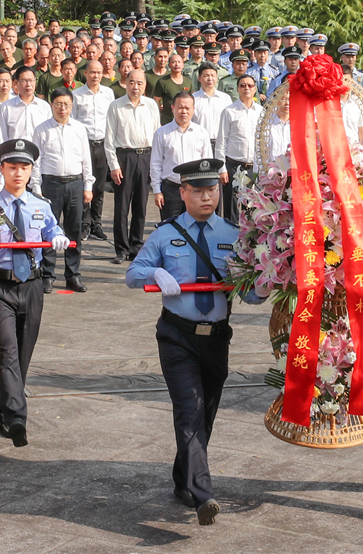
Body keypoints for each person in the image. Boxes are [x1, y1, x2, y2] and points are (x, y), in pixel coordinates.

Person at [126, 159, 256, 527]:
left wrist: (265, 280)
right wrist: (154, 271)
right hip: (177, 336)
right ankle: (203, 493)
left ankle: (184, 479)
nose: (205, 197)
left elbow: (255, 291)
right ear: (182, 193)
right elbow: (132, 274)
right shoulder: (165, 235)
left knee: (206, 412)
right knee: (189, 409)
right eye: (197, 190)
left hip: (216, 338)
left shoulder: (233, 234)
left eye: (211, 190)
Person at [0, 139, 70, 447]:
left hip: (32, 285)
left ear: (32, 170)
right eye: (12, 167)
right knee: (6, 349)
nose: (18, 173)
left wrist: (59, 237)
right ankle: (18, 417)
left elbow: (52, 231)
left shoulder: (41, 205)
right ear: (2, 169)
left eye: (24, 167)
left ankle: (4, 409)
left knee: (22, 355)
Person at [31, 88, 91, 293]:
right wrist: (36, 188)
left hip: (75, 183)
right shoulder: (41, 130)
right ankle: (48, 275)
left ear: (72, 105)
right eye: (58, 104)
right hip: (51, 185)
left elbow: (86, 159)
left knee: (74, 230)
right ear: (51, 105)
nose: (62, 108)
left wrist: (88, 186)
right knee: (48, 230)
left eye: (66, 104)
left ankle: (73, 275)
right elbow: (36, 162)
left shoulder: (80, 128)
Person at [106, 68, 161, 263]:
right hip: (124, 158)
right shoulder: (116, 106)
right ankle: (121, 249)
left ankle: (136, 247)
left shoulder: (152, 105)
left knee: (141, 206)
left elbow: (157, 136)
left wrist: (155, 165)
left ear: (145, 85)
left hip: (146, 156)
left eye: (139, 83)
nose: (135, 87)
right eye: (131, 82)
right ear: (125, 83)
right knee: (121, 206)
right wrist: (114, 165)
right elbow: (109, 140)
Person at [151, 93, 225, 223]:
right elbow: (156, 164)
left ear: (193, 110)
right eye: (180, 107)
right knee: (171, 229)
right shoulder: (162, 133)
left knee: (195, 227)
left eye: (187, 108)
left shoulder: (201, 132)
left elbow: (206, 165)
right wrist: (157, 191)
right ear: (173, 108)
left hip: (195, 190)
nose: (183, 111)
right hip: (171, 190)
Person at [72, 60, 115, 243]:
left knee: (99, 187)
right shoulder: (77, 95)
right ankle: (84, 224)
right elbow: (73, 120)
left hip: (103, 144)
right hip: (84, 144)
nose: (95, 76)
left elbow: (112, 120)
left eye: (99, 72)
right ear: (85, 73)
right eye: (92, 72)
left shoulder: (108, 93)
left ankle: (96, 224)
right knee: (84, 185)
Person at [213, 75, 261, 222]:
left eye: (250, 85)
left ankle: (249, 241)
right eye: (243, 85)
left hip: (254, 167)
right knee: (231, 206)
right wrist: (222, 169)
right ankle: (230, 238)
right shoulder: (229, 111)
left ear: (255, 89)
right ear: (237, 88)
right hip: (233, 165)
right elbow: (222, 141)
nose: (247, 88)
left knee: (252, 207)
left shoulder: (261, 112)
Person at [190, 64, 231, 145]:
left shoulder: (225, 98)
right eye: (206, 75)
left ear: (216, 78)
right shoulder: (193, 99)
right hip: (199, 142)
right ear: (199, 78)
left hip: (221, 143)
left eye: (213, 75)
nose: (210, 79)